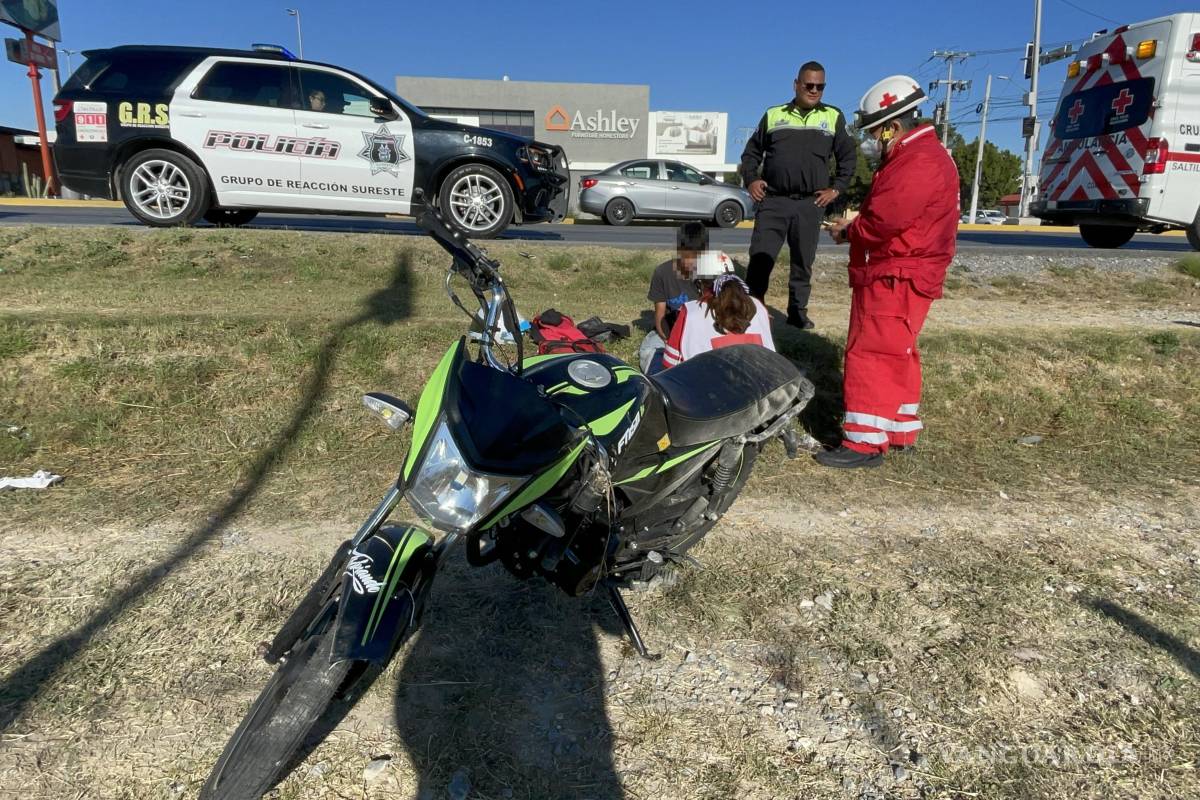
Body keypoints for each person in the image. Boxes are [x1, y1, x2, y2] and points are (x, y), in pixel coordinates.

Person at [819, 75, 959, 469]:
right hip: (907, 272)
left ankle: (863, 443)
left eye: (873, 132)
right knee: (898, 352)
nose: (869, 141)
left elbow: (884, 222)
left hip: (895, 274)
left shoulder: (916, 162)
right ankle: (897, 430)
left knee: (871, 352)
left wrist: (849, 230)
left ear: (892, 127)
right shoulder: (923, 156)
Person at [740, 60, 857, 330]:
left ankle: (797, 313)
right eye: (809, 85)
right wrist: (752, 179)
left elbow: (848, 159)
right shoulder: (773, 115)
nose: (814, 90)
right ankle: (754, 311)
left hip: (810, 204)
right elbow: (750, 154)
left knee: (803, 263)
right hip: (773, 201)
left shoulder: (833, 117)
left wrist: (836, 188)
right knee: (760, 259)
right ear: (796, 84)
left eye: (820, 86)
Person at [662, 250, 775, 367]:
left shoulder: (691, 312)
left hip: (707, 384)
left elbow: (669, 365)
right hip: (759, 382)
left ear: (700, 285)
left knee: (652, 346)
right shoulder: (759, 307)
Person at [640, 221, 705, 373]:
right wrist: (669, 341)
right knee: (650, 353)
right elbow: (660, 315)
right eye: (686, 256)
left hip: (702, 333)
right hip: (672, 333)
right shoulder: (663, 272)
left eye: (695, 257)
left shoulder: (712, 272)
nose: (690, 262)